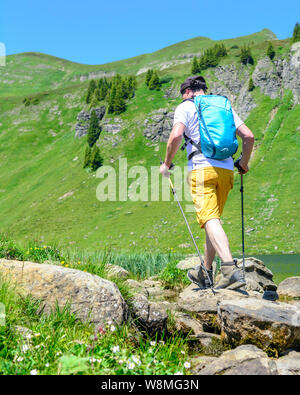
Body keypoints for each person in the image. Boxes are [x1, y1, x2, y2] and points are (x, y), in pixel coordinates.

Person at [160, 76, 254, 290]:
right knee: (213, 221)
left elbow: (176, 136)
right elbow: (248, 136)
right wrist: (244, 163)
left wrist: (167, 164)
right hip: (227, 171)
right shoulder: (223, 106)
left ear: (186, 92)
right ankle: (206, 271)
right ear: (204, 90)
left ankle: (229, 269)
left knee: (209, 219)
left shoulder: (185, 107)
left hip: (202, 169)